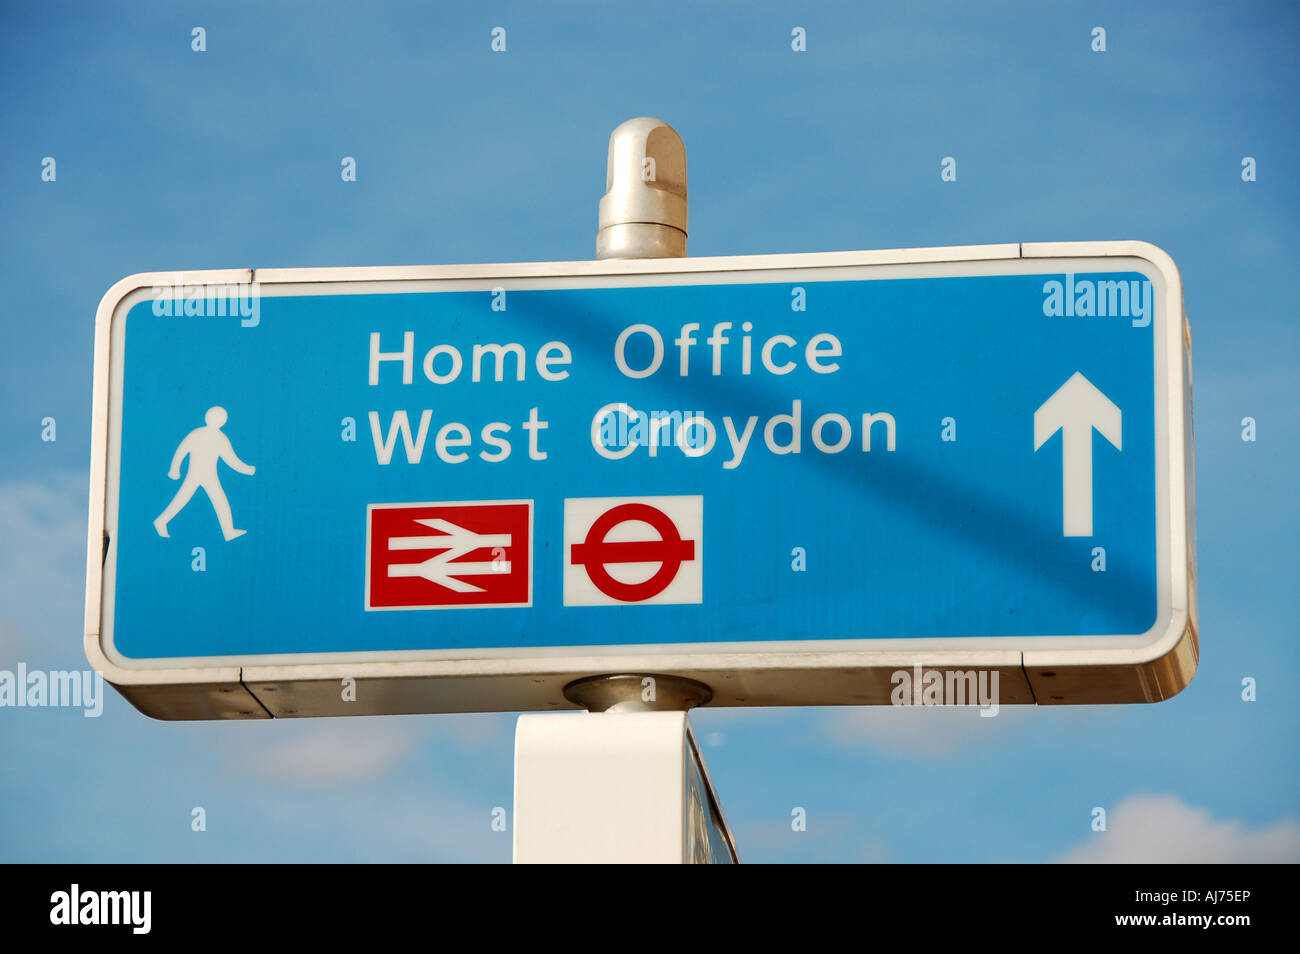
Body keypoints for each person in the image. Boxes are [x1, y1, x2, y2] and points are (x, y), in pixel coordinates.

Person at [153, 406, 255, 541]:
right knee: (212, 500)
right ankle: (161, 521)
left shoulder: (201, 434)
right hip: (201, 476)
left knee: (197, 499)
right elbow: (232, 461)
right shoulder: (218, 438)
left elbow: (181, 451)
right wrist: (248, 470)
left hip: (205, 476)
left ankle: (228, 531)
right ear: (223, 421)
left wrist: (175, 469)